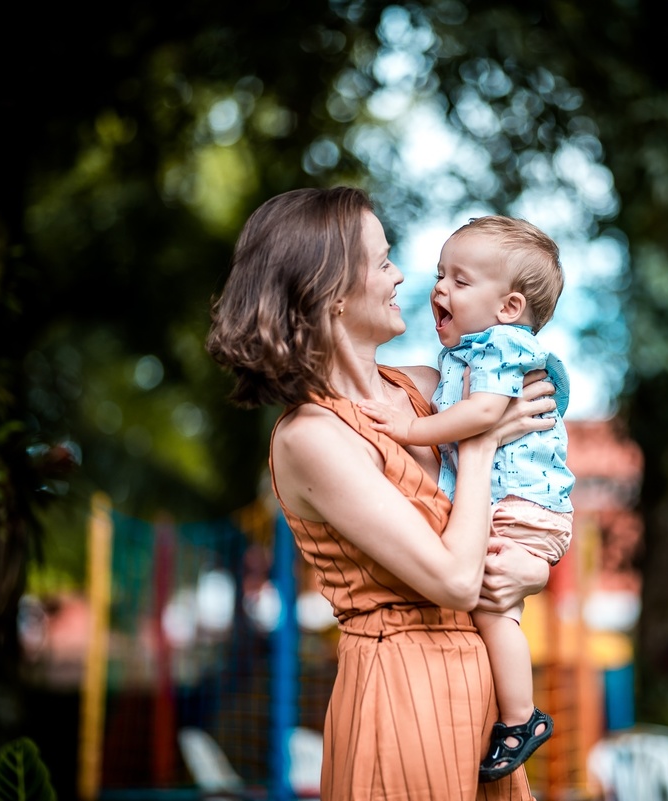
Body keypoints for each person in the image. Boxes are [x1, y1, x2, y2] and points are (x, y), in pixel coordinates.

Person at [205, 186, 556, 801]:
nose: (402, 278)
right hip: (402, 695)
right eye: (383, 261)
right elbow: (454, 581)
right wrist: (479, 444)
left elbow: (527, 491)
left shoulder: (433, 389)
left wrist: (533, 571)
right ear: (332, 292)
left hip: (485, 704)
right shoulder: (312, 437)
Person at [357, 216, 574, 783]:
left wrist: (409, 429)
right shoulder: (462, 360)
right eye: (440, 274)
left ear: (509, 307)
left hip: (521, 508)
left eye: (459, 280)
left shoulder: (498, 349)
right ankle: (515, 716)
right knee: (497, 613)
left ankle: (521, 719)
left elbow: (481, 415)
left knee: (495, 615)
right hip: (513, 514)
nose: (435, 288)